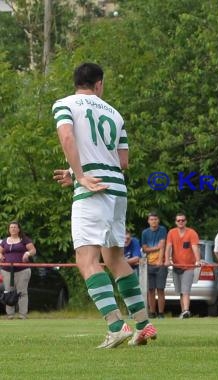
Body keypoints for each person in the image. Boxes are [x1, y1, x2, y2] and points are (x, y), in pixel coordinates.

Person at [52, 62, 156, 347]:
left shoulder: (64, 104)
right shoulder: (114, 113)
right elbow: (122, 162)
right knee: (115, 259)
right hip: (117, 190)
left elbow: (67, 136)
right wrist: (77, 173)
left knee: (86, 260)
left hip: (93, 190)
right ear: (98, 84)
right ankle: (144, 325)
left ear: (78, 82)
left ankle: (116, 325)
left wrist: (80, 175)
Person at [165, 213, 200, 319]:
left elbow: (195, 247)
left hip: (188, 266)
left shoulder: (191, 233)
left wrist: (198, 260)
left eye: (183, 220)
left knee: (185, 291)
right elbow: (168, 247)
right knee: (180, 291)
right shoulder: (171, 232)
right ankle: (183, 312)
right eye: (179, 220)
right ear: (176, 222)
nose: (181, 222)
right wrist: (167, 259)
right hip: (176, 266)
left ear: (186, 221)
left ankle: (186, 310)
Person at [0, 221, 37, 319]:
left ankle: (22, 314)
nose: (13, 229)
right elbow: (0, 252)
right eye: (11, 227)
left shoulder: (24, 240)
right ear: (9, 229)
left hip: (22, 270)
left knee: (22, 292)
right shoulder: (4, 241)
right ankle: (10, 315)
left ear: (19, 229)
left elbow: (33, 250)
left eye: (15, 227)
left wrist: (27, 254)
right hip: (6, 270)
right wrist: (0, 255)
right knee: (8, 292)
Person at [141, 212, 167, 319]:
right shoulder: (145, 233)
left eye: (155, 219)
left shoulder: (162, 230)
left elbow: (163, 246)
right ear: (148, 221)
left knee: (160, 289)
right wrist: (156, 248)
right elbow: (145, 248)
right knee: (150, 289)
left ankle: (161, 313)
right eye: (151, 219)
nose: (153, 221)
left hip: (160, 264)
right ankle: (152, 312)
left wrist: (160, 261)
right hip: (149, 263)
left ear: (158, 220)